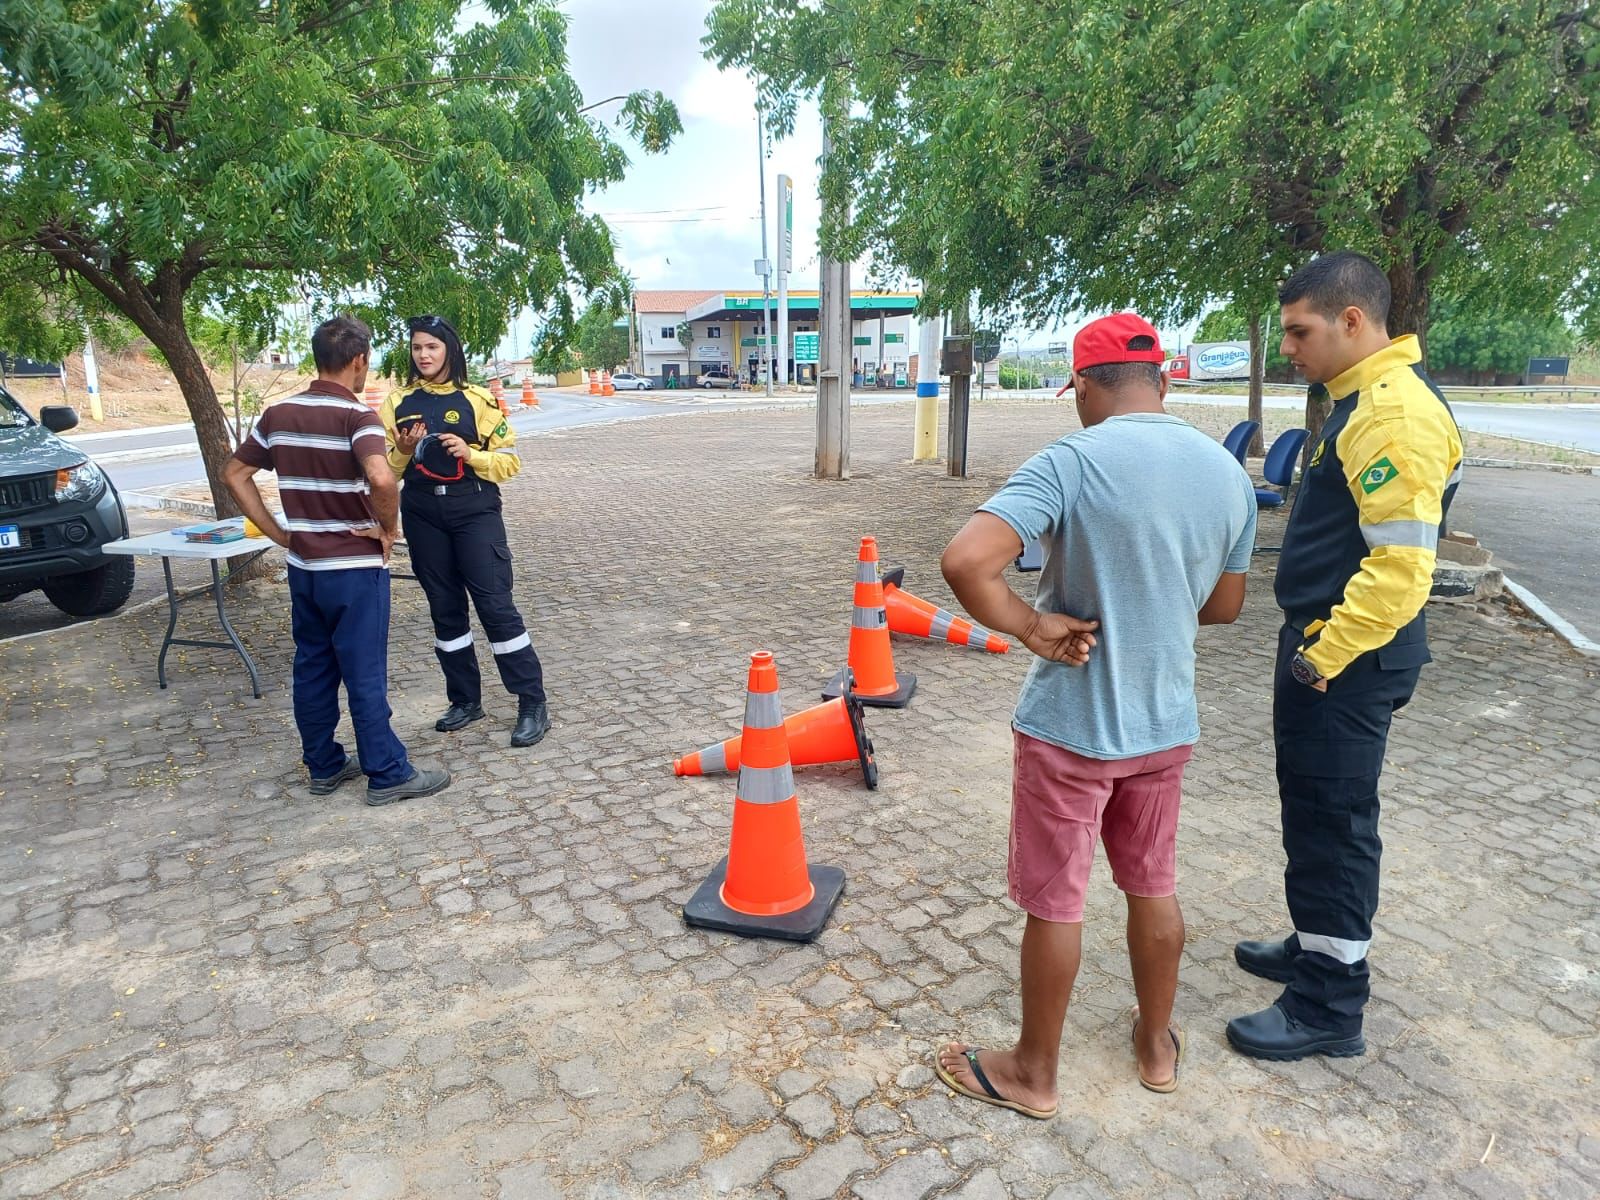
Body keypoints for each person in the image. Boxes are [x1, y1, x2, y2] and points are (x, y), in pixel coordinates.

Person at [934, 313, 1257, 1117]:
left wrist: (1033, 624)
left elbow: (967, 561)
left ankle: (1033, 1073)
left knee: (1059, 900)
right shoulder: (1225, 473)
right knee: (1153, 886)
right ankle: (1156, 1046)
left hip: (1073, 726)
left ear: (1081, 384)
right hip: (1164, 725)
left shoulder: (1072, 460)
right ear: (1164, 380)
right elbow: (1223, 607)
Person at [1227, 252, 1463, 1061]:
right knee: (1314, 808)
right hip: (1334, 652)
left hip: (1346, 659)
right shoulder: (1364, 400)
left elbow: (1401, 567)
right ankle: (1316, 943)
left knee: (1335, 819)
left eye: (1299, 331)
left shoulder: (1394, 414)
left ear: (1352, 322)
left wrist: (1320, 655)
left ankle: (1329, 1006)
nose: (1288, 347)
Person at [223, 316, 451, 807]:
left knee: (313, 667)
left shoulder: (278, 415)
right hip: (352, 570)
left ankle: (323, 765)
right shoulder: (357, 418)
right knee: (364, 672)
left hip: (304, 570)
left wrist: (281, 533)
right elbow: (383, 479)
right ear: (359, 360)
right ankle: (387, 773)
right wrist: (388, 530)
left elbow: (235, 474)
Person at [381, 315, 551, 748]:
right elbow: (384, 470)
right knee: (445, 609)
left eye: (432, 348)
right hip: (422, 514)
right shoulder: (397, 402)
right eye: (417, 348)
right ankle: (464, 700)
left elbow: (509, 462)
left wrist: (471, 454)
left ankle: (531, 702)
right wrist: (401, 452)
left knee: (495, 607)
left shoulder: (477, 399)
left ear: (449, 352)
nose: (424, 355)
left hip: (474, 510)